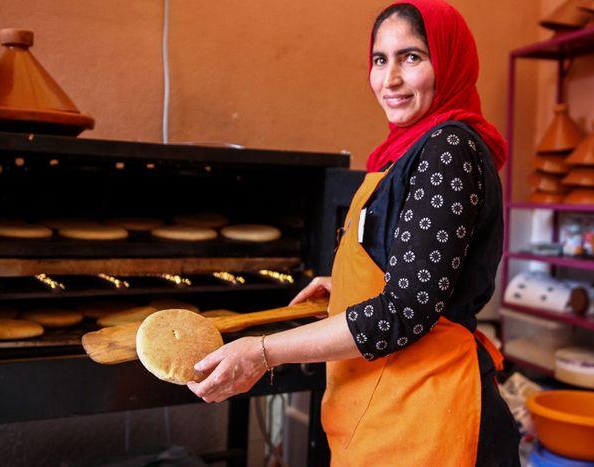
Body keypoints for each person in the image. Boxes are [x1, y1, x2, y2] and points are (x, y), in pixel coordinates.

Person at [188, 1, 520, 465]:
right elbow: (410, 266)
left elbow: (405, 309)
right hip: (389, 402)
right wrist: (344, 286)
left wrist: (263, 353)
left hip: (430, 409)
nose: (391, 80)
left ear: (450, 61)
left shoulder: (450, 147)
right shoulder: (408, 151)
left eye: (412, 57)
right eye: (380, 60)